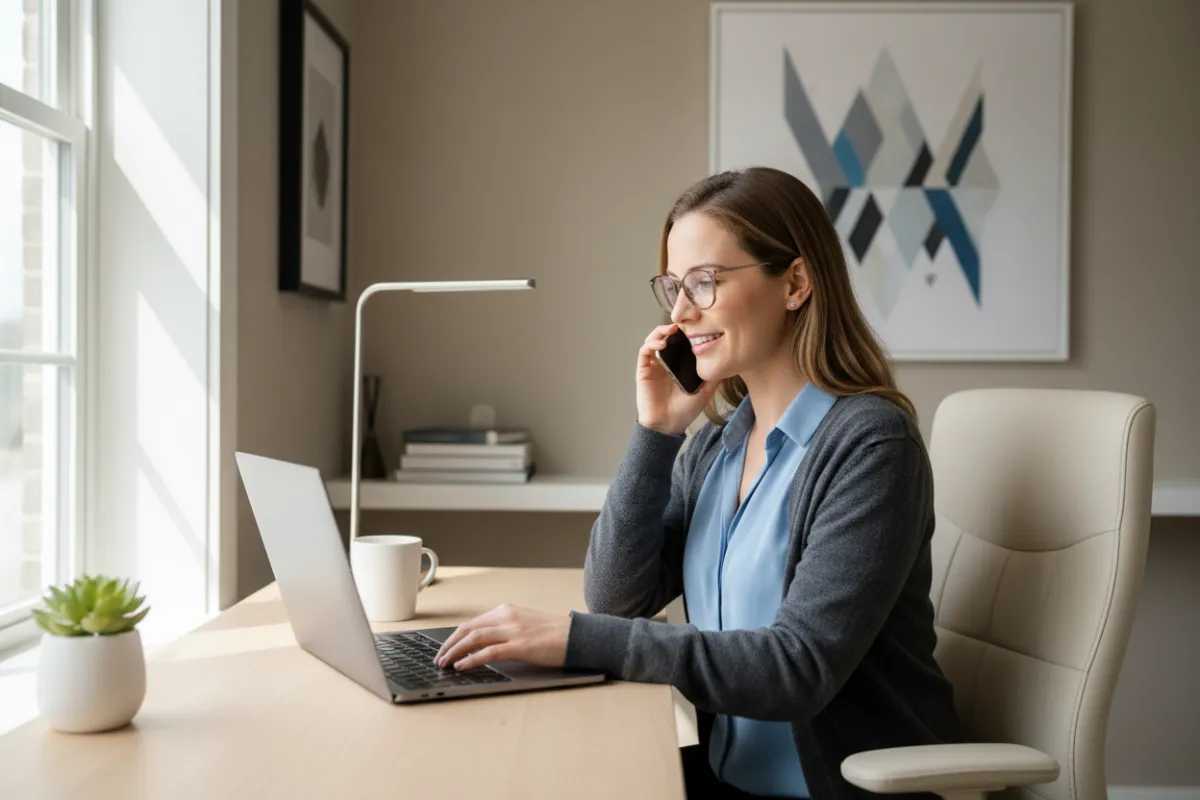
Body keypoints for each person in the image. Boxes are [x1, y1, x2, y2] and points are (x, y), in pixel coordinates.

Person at [434, 167, 964, 799]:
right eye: (673, 287)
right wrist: (655, 432)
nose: (681, 312)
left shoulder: (871, 447)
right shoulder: (716, 444)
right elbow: (616, 598)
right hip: (722, 781)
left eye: (705, 282)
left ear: (795, 282)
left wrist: (577, 640)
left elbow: (798, 669)